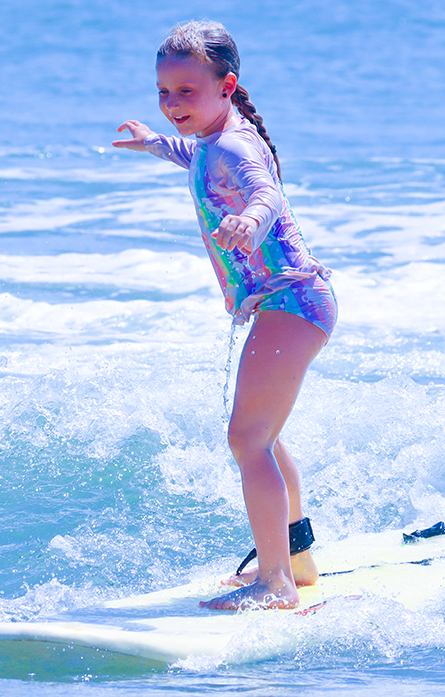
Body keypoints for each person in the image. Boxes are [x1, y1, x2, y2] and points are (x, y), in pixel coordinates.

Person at [112, 20, 337, 610]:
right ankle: (295, 559)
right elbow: (196, 155)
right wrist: (153, 142)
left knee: (247, 438)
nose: (171, 104)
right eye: (163, 92)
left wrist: (250, 221)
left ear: (226, 84)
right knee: (262, 436)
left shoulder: (235, 144)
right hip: (287, 302)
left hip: (291, 298)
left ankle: (275, 584)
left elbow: (265, 193)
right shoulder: (218, 138)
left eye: (185, 91)